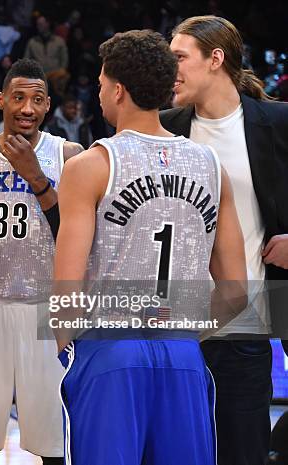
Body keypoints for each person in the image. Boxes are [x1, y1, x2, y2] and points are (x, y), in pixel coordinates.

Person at [53, 29, 247, 465]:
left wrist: (68, 349)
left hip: (110, 351)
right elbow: (235, 291)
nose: (99, 92)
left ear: (118, 90)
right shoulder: (212, 167)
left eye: (101, 83)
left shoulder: (90, 165)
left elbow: (66, 288)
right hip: (183, 354)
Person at [161, 15, 288, 465]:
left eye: (179, 57)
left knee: (243, 450)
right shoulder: (163, 128)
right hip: (174, 325)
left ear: (215, 59)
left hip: (245, 321)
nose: (167, 67)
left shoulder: (278, 121)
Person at [0, 58, 84, 465]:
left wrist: (36, 175)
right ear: (1, 100)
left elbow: (76, 236)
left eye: (37, 100)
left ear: (48, 107)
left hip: (44, 305)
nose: (27, 108)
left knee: (55, 441)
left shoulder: (69, 155)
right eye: (19, 98)